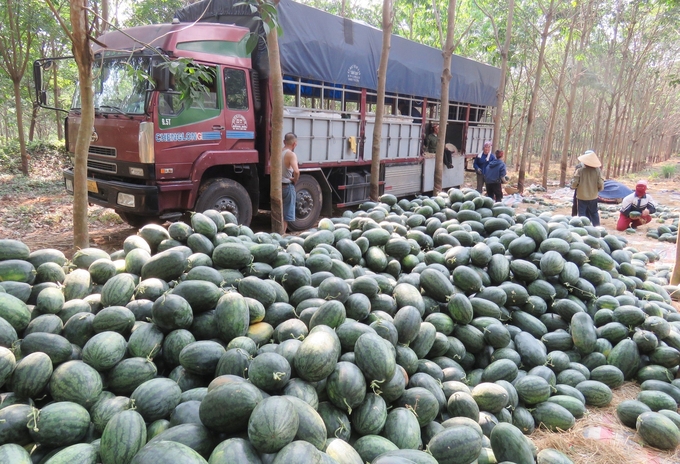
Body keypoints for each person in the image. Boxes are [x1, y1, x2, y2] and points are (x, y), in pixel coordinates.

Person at [570, 149, 604, 226]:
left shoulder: (580, 170)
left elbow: (575, 183)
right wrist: (597, 190)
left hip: (582, 197)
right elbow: (600, 184)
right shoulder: (597, 171)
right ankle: (597, 228)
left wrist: (572, 186)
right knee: (594, 213)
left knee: (582, 213)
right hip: (593, 196)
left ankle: (584, 229)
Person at [281, 132, 300, 233]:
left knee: (278, 212)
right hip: (287, 186)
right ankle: (282, 235)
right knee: (286, 215)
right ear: (294, 144)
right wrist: (295, 179)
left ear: (284, 142)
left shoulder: (277, 152)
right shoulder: (291, 155)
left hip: (277, 186)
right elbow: (296, 171)